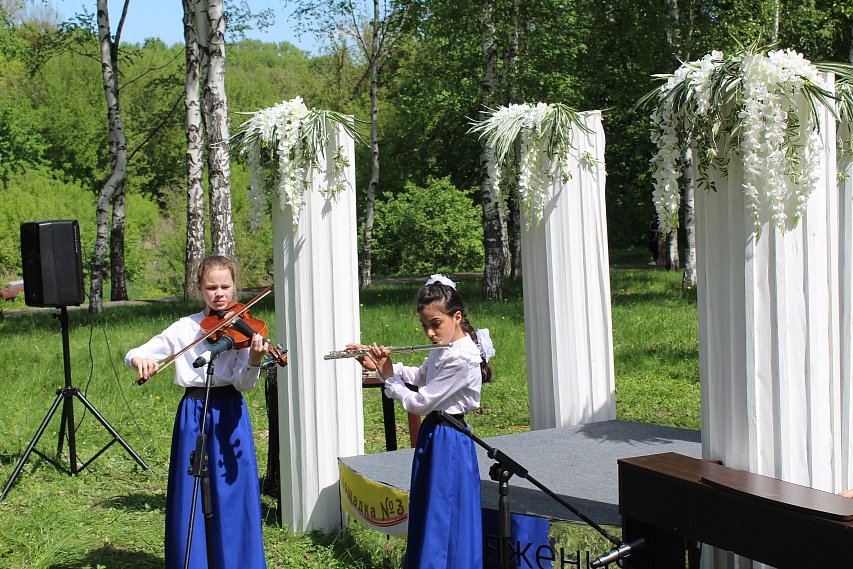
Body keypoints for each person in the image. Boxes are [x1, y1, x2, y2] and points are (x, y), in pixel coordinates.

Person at [125, 255, 267, 569]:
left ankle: (238, 562)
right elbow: (139, 351)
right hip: (194, 410)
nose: (219, 294)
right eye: (211, 287)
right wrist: (140, 361)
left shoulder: (243, 326)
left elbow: (244, 383)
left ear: (234, 287)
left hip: (230, 412)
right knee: (192, 491)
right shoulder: (185, 327)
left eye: (225, 286)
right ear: (199, 288)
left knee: (233, 491)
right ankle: (194, 561)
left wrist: (255, 360)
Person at [350, 274, 495, 569]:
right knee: (429, 506)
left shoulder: (463, 358)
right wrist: (377, 365)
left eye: (435, 324)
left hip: (450, 437)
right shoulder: (446, 347)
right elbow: (420, 377)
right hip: (436, 432)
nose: (429, 332)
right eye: (424, 326)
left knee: (443, 510)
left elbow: (419, 401)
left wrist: (388, 375)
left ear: (457, 317)